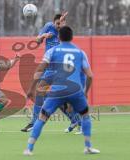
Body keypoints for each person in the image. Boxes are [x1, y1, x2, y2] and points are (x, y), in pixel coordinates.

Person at [23, 26, 100, 155]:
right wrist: (85, 92)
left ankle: (29, 148)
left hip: (57, 91)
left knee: (42, 118)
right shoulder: (80, 52)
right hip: (75, 91)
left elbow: (40, 70)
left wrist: (31, 88)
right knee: (85, 116)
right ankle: (88, 146)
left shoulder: (52, 51)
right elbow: (90, 75)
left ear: (58, 37)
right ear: (72, 37)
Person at [21, 12, 82, 133]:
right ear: (53, 22)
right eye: (57, 23)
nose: (59, 26)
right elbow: (37, 41)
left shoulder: (63, 32)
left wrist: (63, 25)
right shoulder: (48, 26)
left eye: (61, 24)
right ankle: (34, 122)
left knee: (58, 97)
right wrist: (44, 35)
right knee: (43, 92)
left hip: (60, 68)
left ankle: (78, 121)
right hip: (49, 67)